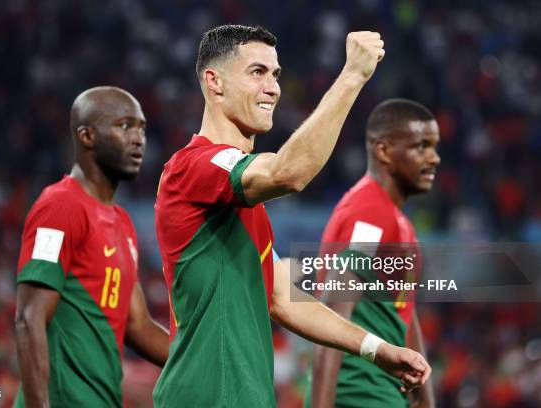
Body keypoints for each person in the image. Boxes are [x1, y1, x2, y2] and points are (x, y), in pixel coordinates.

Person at [153, 25, 431, 407]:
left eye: (276, 74)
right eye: (257, 72)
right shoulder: (194, 166)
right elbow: (287, 173)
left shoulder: (245, 208)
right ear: (213, 81)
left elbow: (284, 299)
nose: (273, 87)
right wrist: (352, 76)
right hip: (206, 397)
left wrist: (376, 348)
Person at [14, 86, 169, 407]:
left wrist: (202, 361)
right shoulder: (59, 207)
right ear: (87, 136)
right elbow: (29, 318)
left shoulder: (122, 222)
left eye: (142, 128)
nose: (138, 138)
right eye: (125, 126)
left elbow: (137, 325)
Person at [308, 99, 440, 408]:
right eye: (421, 147)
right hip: (359, 395)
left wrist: (426, 399)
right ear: (384, 151)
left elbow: (404, 314)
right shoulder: (369, 216)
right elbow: (331, 318)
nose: (433, 158)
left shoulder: (393, 219)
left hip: (384, 395)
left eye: (434, 147)